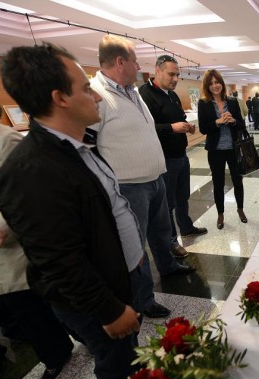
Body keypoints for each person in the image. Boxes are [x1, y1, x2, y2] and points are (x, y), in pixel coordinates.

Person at [0, 43, 144, 379]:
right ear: (60, 98)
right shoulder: (31, 170)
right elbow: (59, 260)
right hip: (96, 299)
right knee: (118, 367)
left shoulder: (77, 145)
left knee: (130, 361)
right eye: (86, 89)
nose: (98, 97)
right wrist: (108, 310)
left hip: (118, 280)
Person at [0, 70, 74, 379]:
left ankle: (58, 354)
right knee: (8, 306)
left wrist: (1, 222)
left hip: (11, 245)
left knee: (29, 304)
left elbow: (35, 188)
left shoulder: (2, 139)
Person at [90, 35, 194, 320]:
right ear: (120, 61)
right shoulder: (97, 94)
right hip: (128, 185)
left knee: (162, 231)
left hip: (154, 177)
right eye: (135, 60)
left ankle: (169, 266)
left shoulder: (131, 90)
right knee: (136, 245)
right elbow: (89, 145)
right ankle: (144, 298)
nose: (138, 65)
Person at [138, 55, 208, 244]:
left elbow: (178, 119)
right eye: (171, 74)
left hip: (180, 155)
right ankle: (171, 242)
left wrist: (186, 126)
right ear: (157, 71)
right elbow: (144, 128)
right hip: (164, 158)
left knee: (182, 196)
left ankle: (186, 228)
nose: (175, 79)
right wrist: (171, 128)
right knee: (167, 203)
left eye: (177, 74)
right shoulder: (144, 94)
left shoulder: (173, 95)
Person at [197, 69, 247, 230]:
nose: (215, 86)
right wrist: (218, 121)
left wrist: (232, 121)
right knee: (218, 183)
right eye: (211, 83)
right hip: (215, 150)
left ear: (222, 83)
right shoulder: (203, 103)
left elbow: (241, 124)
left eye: (217, 82)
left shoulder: (232, 101)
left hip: (233, 148)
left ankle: (240, 209)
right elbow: (204, 128)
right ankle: (220, 214)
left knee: (237, 180)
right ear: (207, 86)